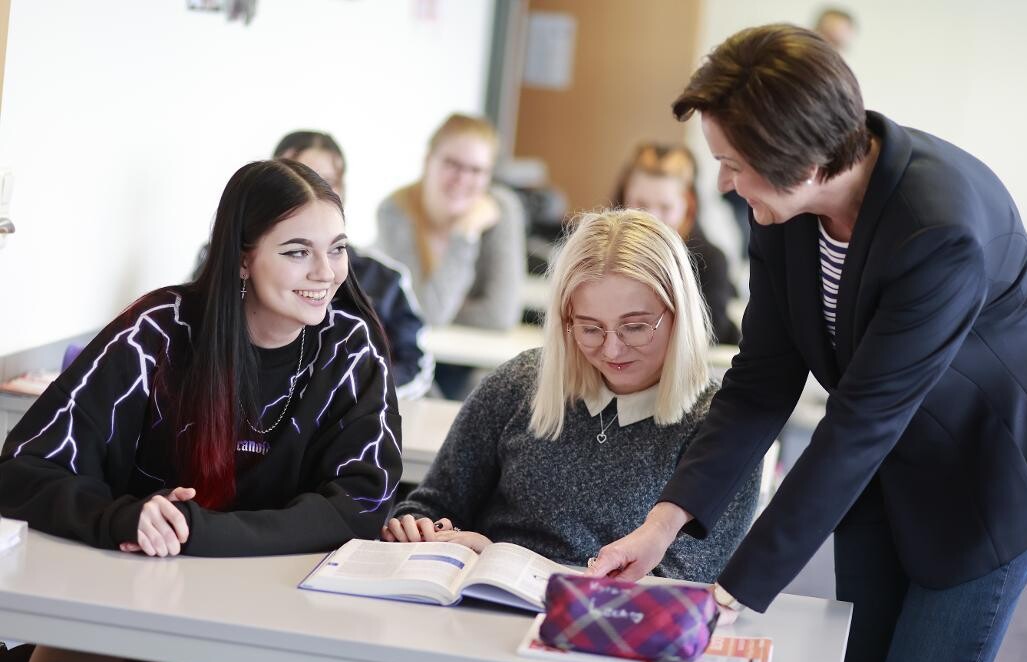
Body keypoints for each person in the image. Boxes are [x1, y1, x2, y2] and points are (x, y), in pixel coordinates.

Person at [589, 24, 1027, 662]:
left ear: (802, 163)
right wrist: (663, 526)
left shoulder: (940, 229)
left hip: (979, 481)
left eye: (733, 163)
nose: (723, 181)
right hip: (875, 480)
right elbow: (761, 380)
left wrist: (728, 596)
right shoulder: (780, 205)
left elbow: (858, 424)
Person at [0, 159, 402, 662]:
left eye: (337, 248)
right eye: (297, 252)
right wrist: (123, 517)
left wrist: (197, 532)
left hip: (269, 600)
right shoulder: (157, 332)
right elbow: (24, 468)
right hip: (132, 586)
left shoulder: (352, 351)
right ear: (242, 258)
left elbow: (360, 506)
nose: (327, 272)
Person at [383, 209, 759, 584]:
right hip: (477, 605)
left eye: (635, 327)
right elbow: (433, 503)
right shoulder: (521, 382)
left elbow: (678, 583)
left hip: (603, 631)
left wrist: (501, 559)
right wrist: (419, 530)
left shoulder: (720, 429)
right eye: (590, 328)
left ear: (679, 314)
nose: (612, 350)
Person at [194, 130, 434, 400]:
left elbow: (416, 364)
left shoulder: (384, 278)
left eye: (324, 181)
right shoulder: (215, 265)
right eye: (293, 177)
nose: (307, 190)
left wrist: (360, 392)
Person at [374, 114, 526, 398]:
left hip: (474, 361)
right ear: (428, 160)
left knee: (490, 389)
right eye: (452, 164)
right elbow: (424, 311)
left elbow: (501, 314)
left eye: (476, 170)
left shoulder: (501, 209)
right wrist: (464, 235)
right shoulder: (395, 210)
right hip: (408, 358)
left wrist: (439, 301)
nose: (462, 179)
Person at [613, 142, 741, 345]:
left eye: (665, 207)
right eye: (641, 204)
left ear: (688, 205)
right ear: (623, 199)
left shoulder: (710, 260)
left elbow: (710, 331)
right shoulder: (605, 254)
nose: (651, 218)